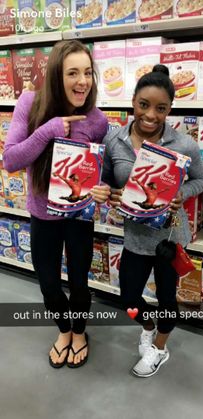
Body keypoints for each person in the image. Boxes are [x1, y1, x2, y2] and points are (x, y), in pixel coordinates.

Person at [3, 40, 110, 369]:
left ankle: (79, 332)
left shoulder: (97, 121)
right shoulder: (30, 103)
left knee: (79, 280)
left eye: (88, 73)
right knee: (48, 281)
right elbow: (10, 159)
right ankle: (63, 330)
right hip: (42, 214)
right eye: (73, 73)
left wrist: (102, 187)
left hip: (78, 215)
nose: (82, 81)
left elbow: (99, 171)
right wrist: (48, 130)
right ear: (55, 76)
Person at [102, 64, 203, 378]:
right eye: (144, 105)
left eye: (161, 108)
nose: (151, 115)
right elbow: (107, 181)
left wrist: (181, 193)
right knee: (129, 298)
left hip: (169, 238)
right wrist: (108, 192)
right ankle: (147, 326)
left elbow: (201, 180)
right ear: (133, 101)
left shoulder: (183, 145)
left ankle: (160, 349)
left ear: (169, 109)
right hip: (135, 236)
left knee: (166, 298)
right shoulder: (115, 141)